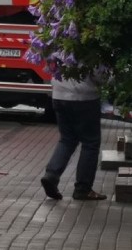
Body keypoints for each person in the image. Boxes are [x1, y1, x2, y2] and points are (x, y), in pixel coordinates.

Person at [40, 73, 107, 201]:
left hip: (59, 95)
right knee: (90, 142)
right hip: (84, 97)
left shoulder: (56, 50)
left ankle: (51, 175)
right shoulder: (90, 52)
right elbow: (99, 75)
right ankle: (83, 189)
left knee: (67, 139)